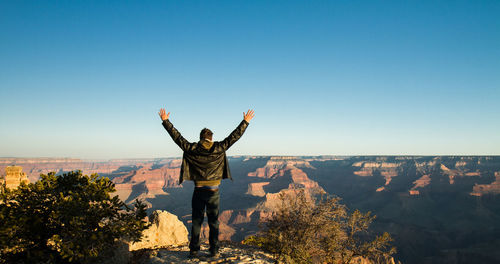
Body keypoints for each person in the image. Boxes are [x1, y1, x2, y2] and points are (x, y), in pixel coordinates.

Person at [158, 108, 255, 258]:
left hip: (198, 190)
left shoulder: (192, 148)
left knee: (197, 221)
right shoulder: (219, 147)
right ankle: (214, 250)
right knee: (214, 222)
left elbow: (177, 137)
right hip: (214, 192)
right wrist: (245, 122)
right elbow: (234, 137)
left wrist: (165, 121)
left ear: (201, 138)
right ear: (211, 138)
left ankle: (194, 250)